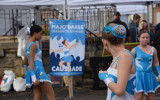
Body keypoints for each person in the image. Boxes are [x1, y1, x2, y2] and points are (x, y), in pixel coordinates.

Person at [98, 23, 136, 100]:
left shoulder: (125, 56)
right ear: (124, 39)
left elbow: (119, 90)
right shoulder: (117, 57)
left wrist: (104, 77)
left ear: (104, 41)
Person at [23, 25, 56, 100]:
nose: (41, 36)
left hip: (32, 72)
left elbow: (25, 61)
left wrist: (32, 75)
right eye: (40, 34)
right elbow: (31, 62)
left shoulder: (27, 44)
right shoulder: (33, 45)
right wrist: (34, 78)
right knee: (51, 96)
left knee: (38, 96)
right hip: (39, 72)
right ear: (35, 33)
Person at [131, 31, 160, 100]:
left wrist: (159, 74)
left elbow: (156, 62)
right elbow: (130, 64)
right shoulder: (134, 50)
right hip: (138, 76)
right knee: (138, 97)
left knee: (151, 97)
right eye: (143, 37)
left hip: (149, 75)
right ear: (139, 38)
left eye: (147, 37)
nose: (145, 39)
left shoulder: (153, 49)